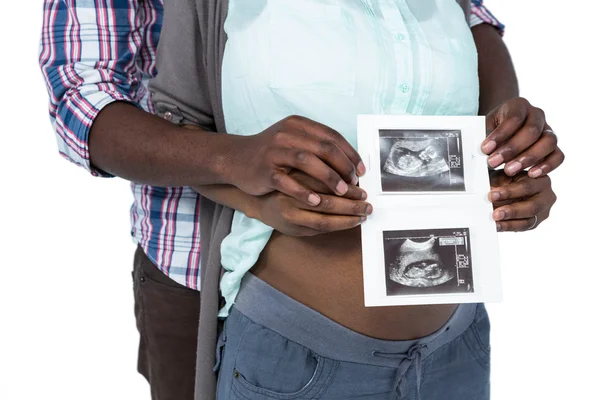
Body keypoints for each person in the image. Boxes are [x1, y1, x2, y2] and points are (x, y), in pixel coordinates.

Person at [38, 1, 563, 400]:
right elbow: (83, 97)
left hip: (458, 339)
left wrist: (504, 142)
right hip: (228, 296)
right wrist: (231, 161)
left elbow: (471, 17)